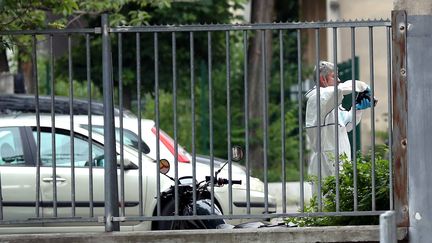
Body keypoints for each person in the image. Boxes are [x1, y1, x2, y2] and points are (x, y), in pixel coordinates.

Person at [305, 61, 375, 178]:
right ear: (323, 79)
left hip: (340, 158)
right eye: (334, 76)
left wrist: (357, 108)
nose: (338, 80)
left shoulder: (332, 103)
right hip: (325, 163)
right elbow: (338, 90)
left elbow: (347, 126)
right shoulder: (317, 98)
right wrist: (361, 86)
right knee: (326, 195)